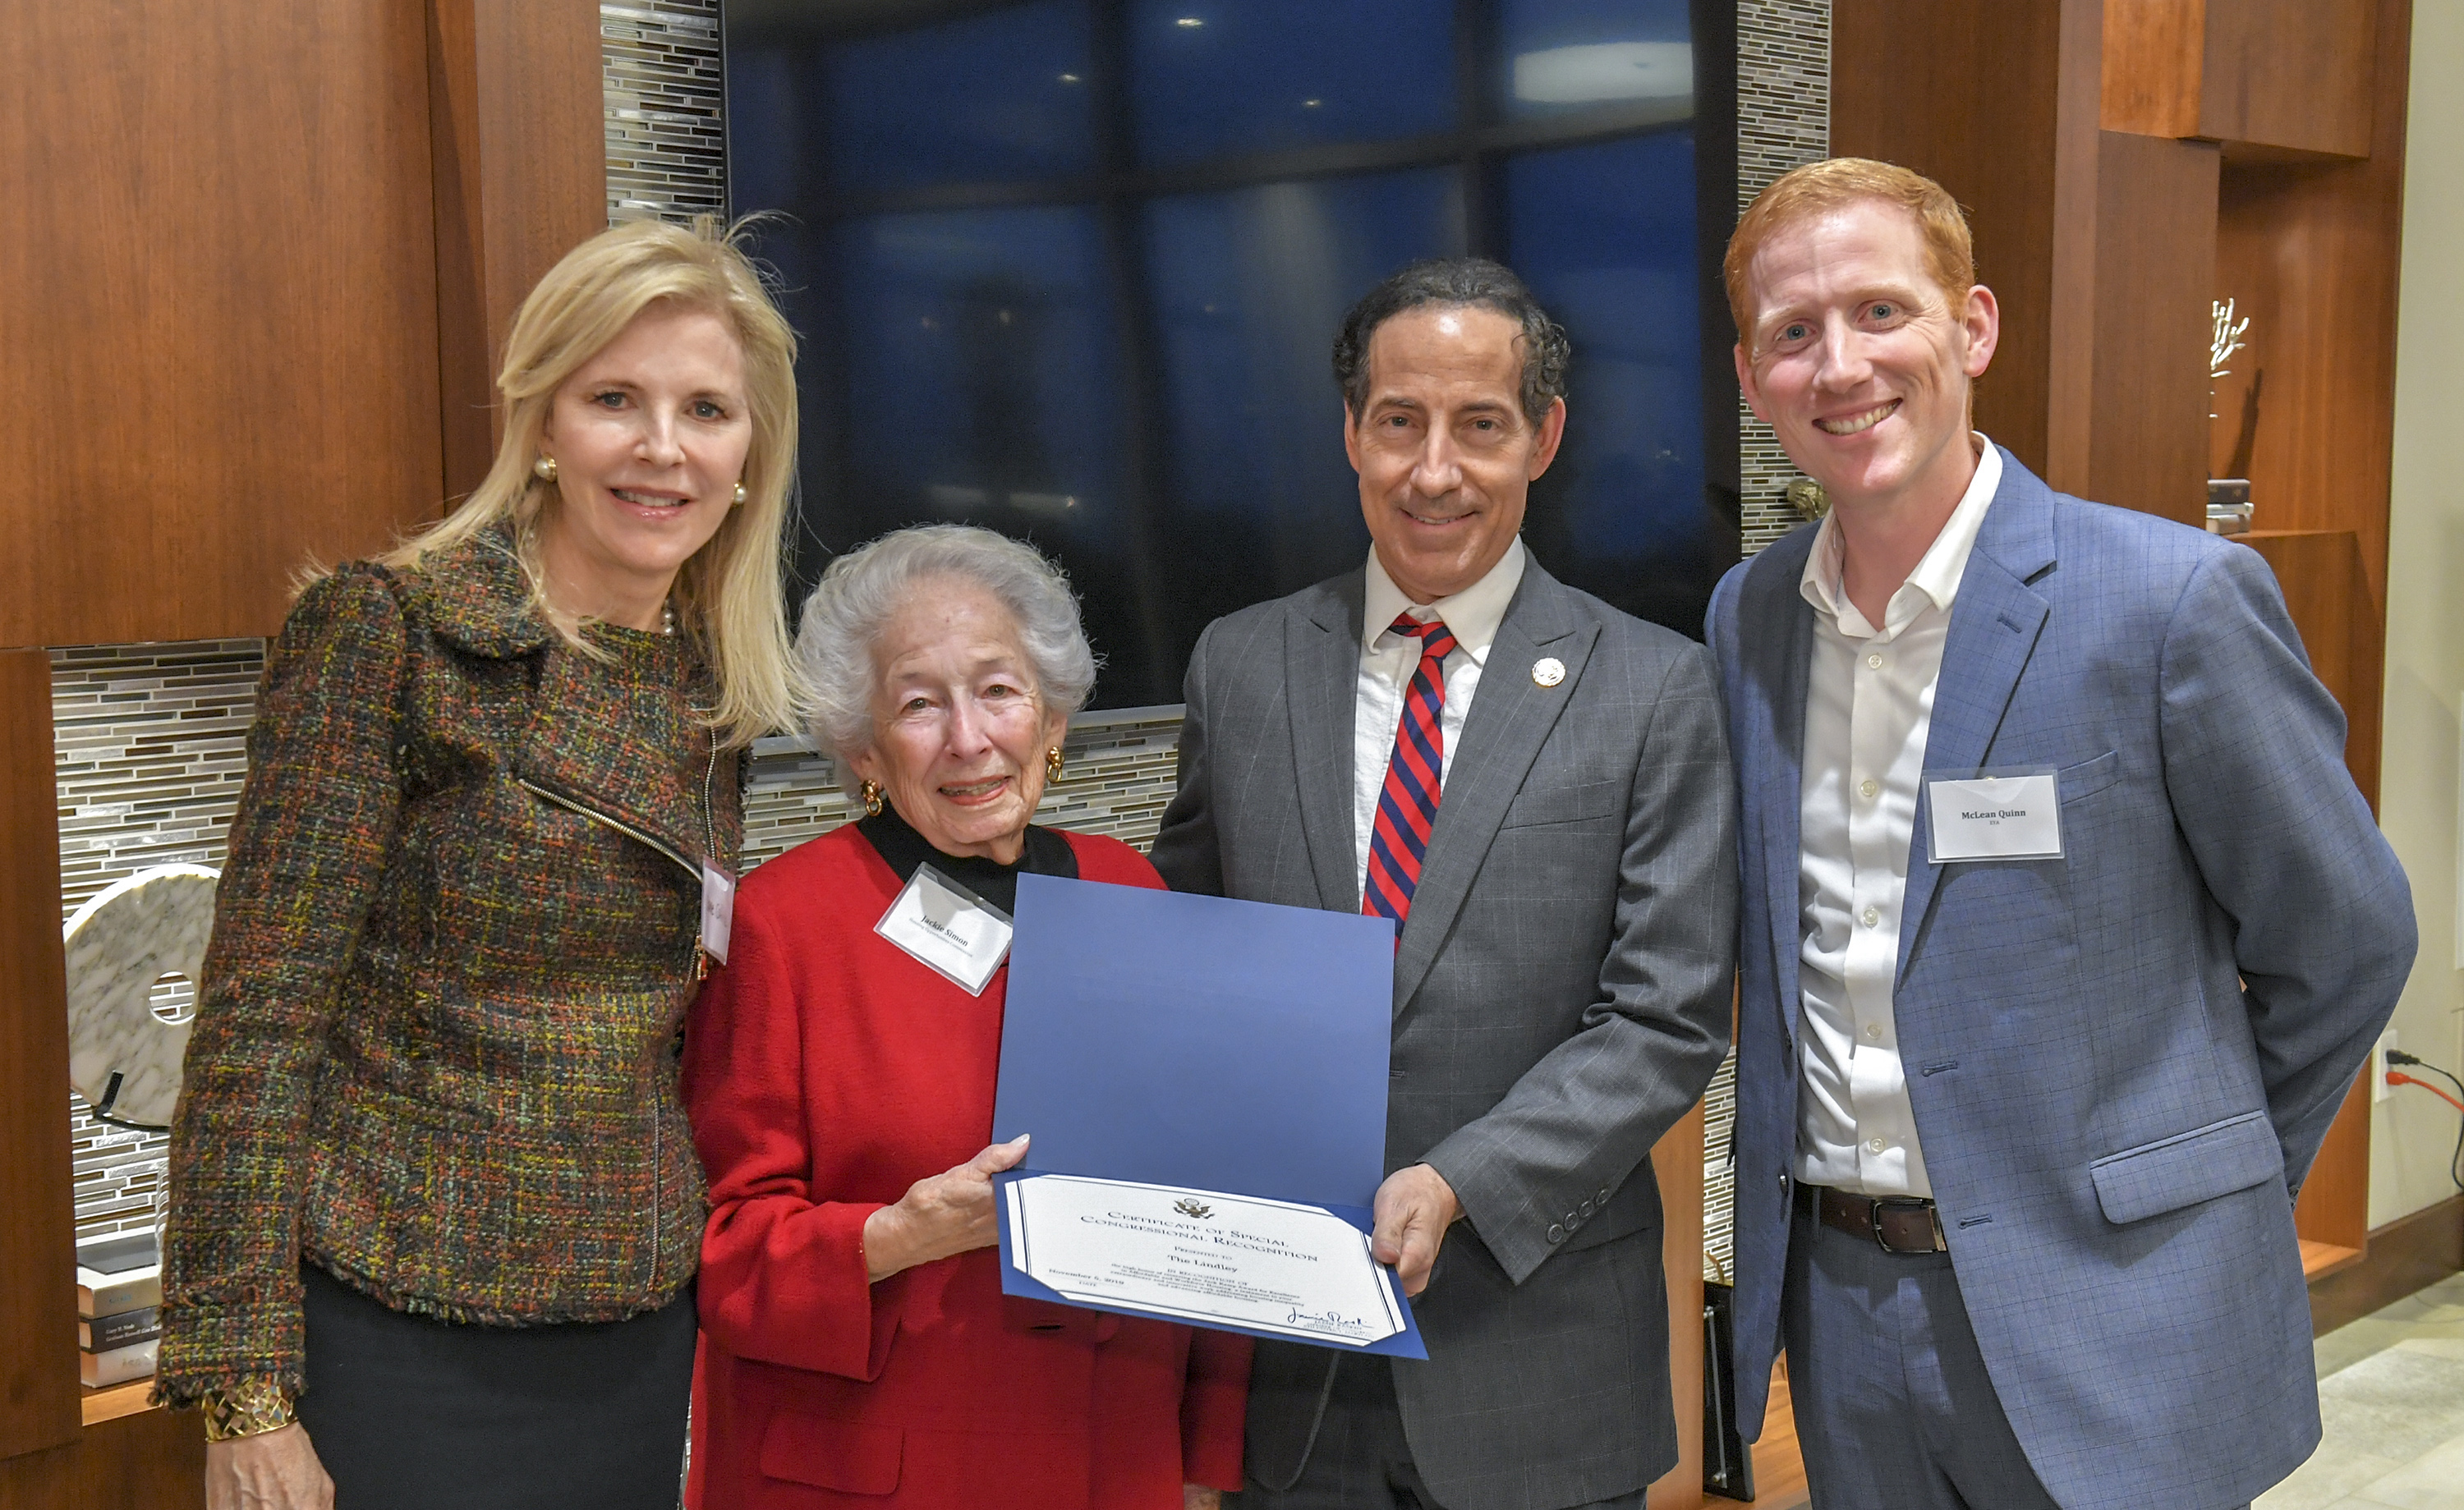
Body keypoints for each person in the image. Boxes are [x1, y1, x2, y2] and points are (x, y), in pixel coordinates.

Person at [1706, 157, 2416, 1510]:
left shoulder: (2171, 601)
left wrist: (2201, 1178)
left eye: (1880, 311)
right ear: (1753, 378)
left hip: (2120, 1304)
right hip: (1842, 1310)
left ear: (1970, 326)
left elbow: (2348, 939)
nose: (1841, 364)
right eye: (1794, 332)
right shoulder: (1748, 620)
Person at [156, 215, 807, 1510]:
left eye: (706, 409)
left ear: (751, 456)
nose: (662, 447)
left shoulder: (707, 693)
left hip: (626, 1323)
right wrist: (246, 1388)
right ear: (544, 422)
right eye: (615, 398)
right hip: (395, 1325)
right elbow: (254, 1029)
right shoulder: (389, 632)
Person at [1149, 259, 1738, 1510]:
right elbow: (1181, 950)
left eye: (1481, 425)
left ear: (1544, 437)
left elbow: (1667, 1015)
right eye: (1399, 422)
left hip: (1536, 1345)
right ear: (1351, 431)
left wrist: (1464, 1176)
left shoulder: (1655, 687)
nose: (1434, 471)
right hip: (1291, 1355)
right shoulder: (1241, 663)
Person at [679, 524, 1252, 1510]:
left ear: (1053, 719)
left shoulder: (1134, 890)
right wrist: (900, 1234)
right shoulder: (784, 927)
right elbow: (722, 1253)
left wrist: (1205, 1451)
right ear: (863, 746)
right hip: (880, 1472)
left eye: (998, 689)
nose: (970, 738)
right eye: (918, 703)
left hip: (1107, 1458)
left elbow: (1200, 1179)